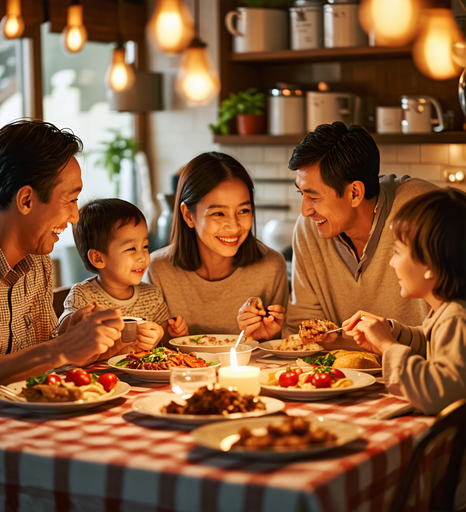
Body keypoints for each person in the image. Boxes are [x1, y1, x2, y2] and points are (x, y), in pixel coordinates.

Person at [0, 120, 124, 408]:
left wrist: (88, 348)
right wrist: (60, 348)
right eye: (70, 200)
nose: (75, 217)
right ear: (26, 200)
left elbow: (43, 367)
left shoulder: (38, 262)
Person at [284, 121, 435, 353]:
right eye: (301, 193)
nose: (305, 210)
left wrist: (390, 336)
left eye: (313, 197)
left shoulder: (423, 214)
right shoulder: (308, 230)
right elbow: (301, 329)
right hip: (339, 381)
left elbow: (452, 334)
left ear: (355, 193)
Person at [343, 188, 466, 415]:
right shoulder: (446, 312)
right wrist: (391, 333)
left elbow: (438, 394)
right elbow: (432, 344)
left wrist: (388, 346)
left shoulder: (456, 319)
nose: (391, 263)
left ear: (430, 264)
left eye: (397, 252)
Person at [145, 152, 288, 340]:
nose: (234, 226)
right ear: (188, 215)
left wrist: (268, 338)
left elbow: (285, 352)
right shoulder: (158, 270)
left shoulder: (271, 266)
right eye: (219, 214)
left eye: (243, 211)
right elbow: (147, 356)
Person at [59, 198, 177, 350]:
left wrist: (166, 332)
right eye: (131, 249)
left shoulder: (151, 296)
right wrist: (82, 321)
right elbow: (62, 333)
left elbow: (165, 340)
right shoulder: (83, 295)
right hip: (98, 373)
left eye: (145, 246)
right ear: (98, 258)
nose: (142, 256)